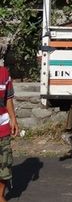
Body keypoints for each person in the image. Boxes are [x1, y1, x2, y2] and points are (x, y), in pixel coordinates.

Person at [0, 65, 18, 202]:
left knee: (4, 166)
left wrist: (13, 119)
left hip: (2, 128)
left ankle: (0, 196)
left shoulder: (4, 73)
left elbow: (8, 98)